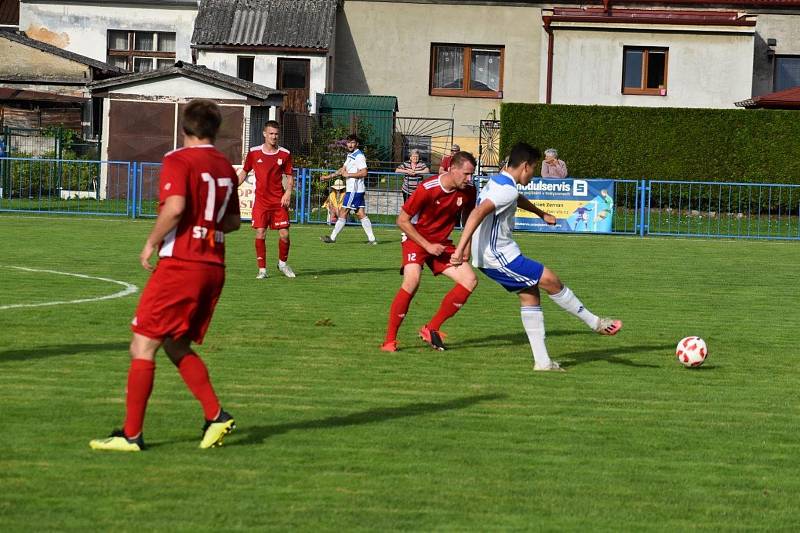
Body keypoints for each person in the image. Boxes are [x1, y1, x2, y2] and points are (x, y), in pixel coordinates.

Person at [90, 99, 241, 451]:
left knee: (142, 343)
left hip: (181, 264)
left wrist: (150, 243)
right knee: (175, 343)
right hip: (213, 266)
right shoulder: (224, 167)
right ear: (215, 130)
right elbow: (233, 221)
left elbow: (175, 208)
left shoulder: (178, 160)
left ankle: (131, 436)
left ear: (184, 128)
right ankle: (216, 416)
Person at [451, 142, 622, 372]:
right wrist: (461, 247)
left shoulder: (501, 180)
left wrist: (540, 213)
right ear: (524, 166)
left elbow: (515, 198)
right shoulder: (505, 189)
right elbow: (477, 213)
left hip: (498, 253)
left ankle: (543, 363)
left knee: (530, 296)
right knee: (551, 280)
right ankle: (595, 323)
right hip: (498, 256)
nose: (533, 174)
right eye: (533, 168)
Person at [381, 151, 478, 353]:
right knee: (412, 281)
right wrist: (427, 246)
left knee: (470, 280)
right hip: (415, 239)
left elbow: (469, 217)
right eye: (466, 174)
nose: (469, 179)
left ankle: (431, 328)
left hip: (441, 243)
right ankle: (390, 341)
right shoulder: (427, 188)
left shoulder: (468, 190)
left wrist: (465, 246)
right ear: (452, 169)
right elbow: (402, 221)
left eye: (472, 175)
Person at [237, 120, 296, 279]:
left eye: (276, 134)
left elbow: (290, 176)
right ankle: (262, 270)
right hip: (261, 202)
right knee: (261, 233)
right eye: (271, 133)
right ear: (264, 134)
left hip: (279, 201)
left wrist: (288, 192)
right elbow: (244, 172)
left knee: (284, 234)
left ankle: (282, 264)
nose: (274, 137)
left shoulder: (285, 154)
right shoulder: (254, 152)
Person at [319, 134, 377, 245]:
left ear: (357, 144)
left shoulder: (359, 156)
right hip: (355, 190)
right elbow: (342, 169)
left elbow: (364, 172)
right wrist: (328, 177)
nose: (350, 144)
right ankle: (372, 239)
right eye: (348, 142)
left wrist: (348, 175)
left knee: (343, 212)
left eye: (353, 142)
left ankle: (332, 237)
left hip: (354, 190)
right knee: (360, 214)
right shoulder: (350, 155)